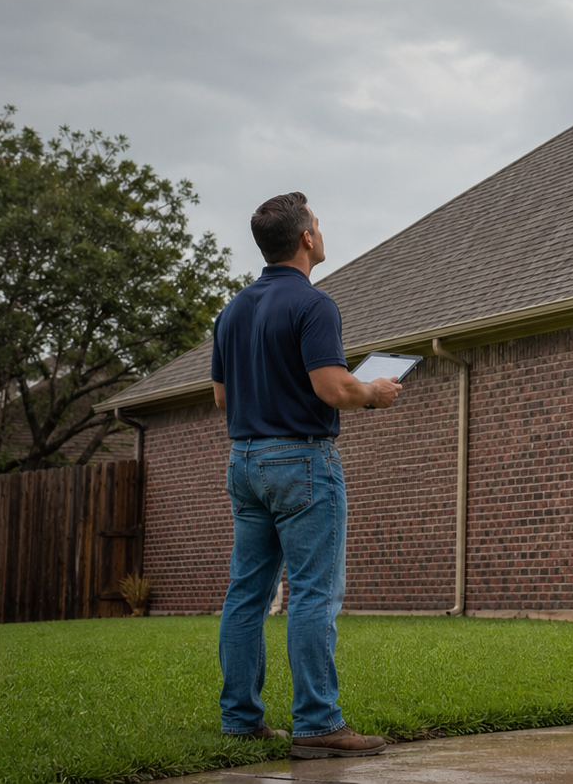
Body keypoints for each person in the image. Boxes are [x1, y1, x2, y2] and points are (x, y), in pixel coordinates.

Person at [211, 192, 402, 758]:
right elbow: (333, 388)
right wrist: (376, 392)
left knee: (246, 595)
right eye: (317, 223)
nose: (320, 230)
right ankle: (319, 726)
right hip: (302, 464)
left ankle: (241, 720)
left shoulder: (232, 311)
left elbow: (222, 397)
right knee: (314, 594)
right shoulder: (314, 304)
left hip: (244, 462)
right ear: (307, 240)